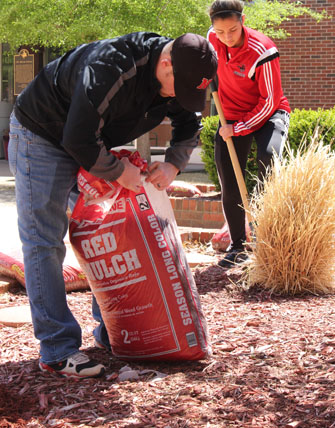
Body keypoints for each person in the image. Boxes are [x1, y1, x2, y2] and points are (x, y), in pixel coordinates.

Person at [8, 31, 217, 378]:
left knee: (111, 233)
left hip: (93, 139)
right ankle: (57, 350)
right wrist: (119, 172)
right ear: (165, 64)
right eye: (175, 89)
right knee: (44, 241)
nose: (177, 98)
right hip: (42, 134)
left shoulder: (186, 67)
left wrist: (173, 163)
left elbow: (187, 122)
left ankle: (114, 332)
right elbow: (77, 136)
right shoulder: (112, 66)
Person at [207, 0, 291, 268]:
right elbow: (206, 68)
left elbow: (269, 101)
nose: (226, 37)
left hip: (269, 114)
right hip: (229, 115)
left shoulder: (262, 50)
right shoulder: (212, 39)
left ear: (243, 21)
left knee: (268, 156)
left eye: (232, 30)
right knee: (229, 182)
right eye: (220, 31)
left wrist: (239, 127)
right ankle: (237, 246)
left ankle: (268, 239)